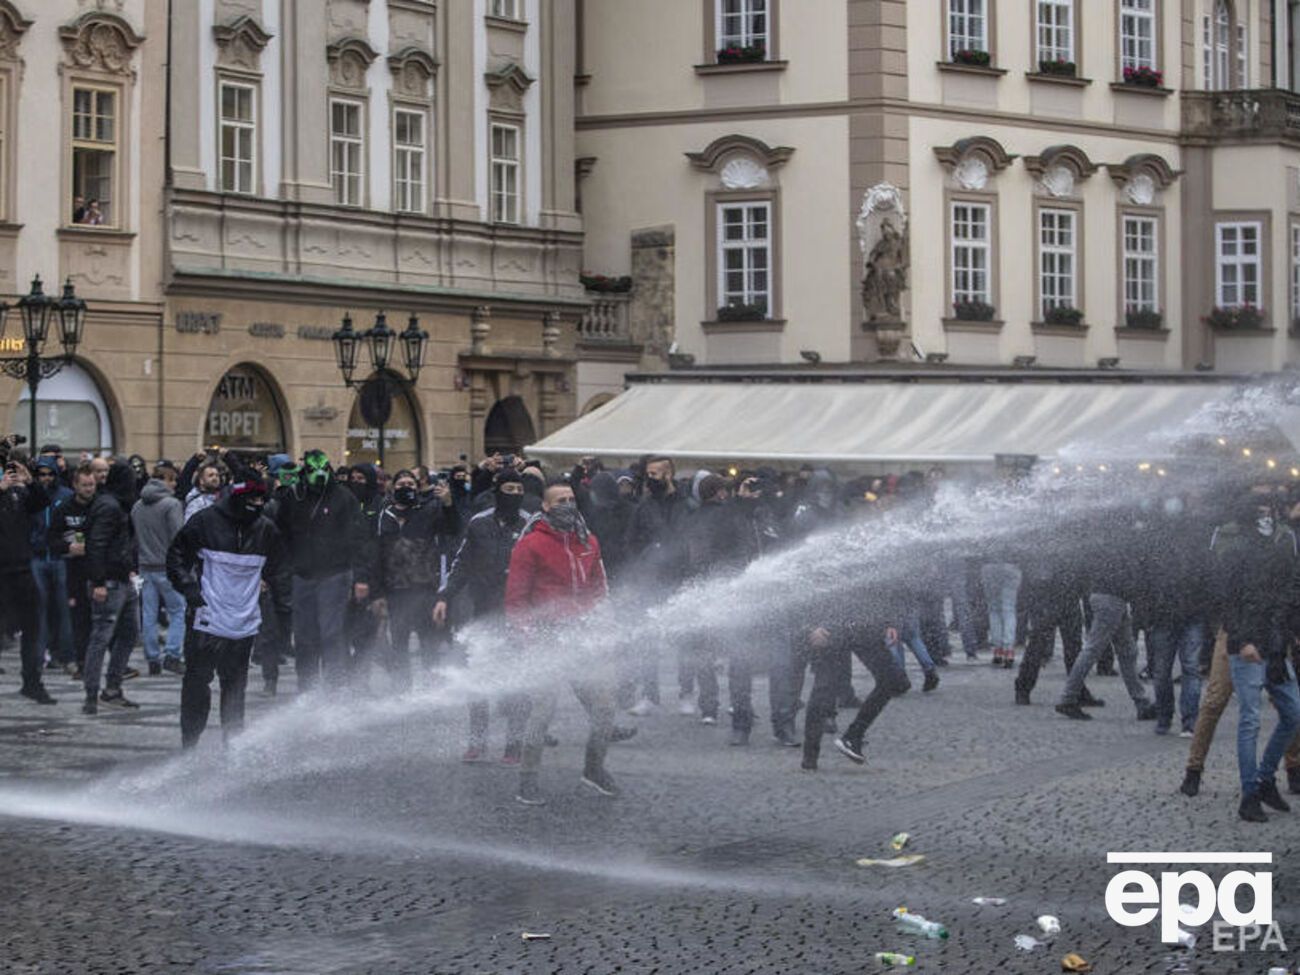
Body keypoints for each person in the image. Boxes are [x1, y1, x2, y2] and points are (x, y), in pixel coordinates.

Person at [507, 481, 615, 806]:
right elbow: (515, 599)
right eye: (560, 500)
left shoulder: (589, 541)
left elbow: (597, 586)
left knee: (605, 708)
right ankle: (527, 780)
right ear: (546, 507)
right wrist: (527, 637)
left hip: (580, 638)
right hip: (544, 638)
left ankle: (593, 770)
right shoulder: (530, 545)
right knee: (541, 711)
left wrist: (599, 622)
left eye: (571, 499)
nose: (568, 504)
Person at [168, 478, 290, 748]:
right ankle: (190, 742)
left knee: (235, 687)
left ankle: (232, 744)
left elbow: (280, 570)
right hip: (206, 619)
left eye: (261, 501)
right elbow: (176, 557)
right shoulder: (204, 521)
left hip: (242, 624)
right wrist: (190, 590)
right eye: (252, 501)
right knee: (197, 683)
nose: (257, 506)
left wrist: (282, 612)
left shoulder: (265, 529)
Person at [1209, 486, 1300, 822]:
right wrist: (1243, 640)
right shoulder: (1235, 553)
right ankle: (1250, 793)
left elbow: (1286, 593)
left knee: (1294, 713)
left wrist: (1288, 634)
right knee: (1249, 721)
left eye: (1270, 511)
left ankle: (1264, 778)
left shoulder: (1277, 549)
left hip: (1275, 646)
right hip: (1247, 647)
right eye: (1261, 511)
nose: (1268, 516)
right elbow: (1228, 603)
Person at [436, 470, 532, 762]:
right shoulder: (479, 524)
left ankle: (513, 744)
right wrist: (444, 596)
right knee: (478, 676)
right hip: (483, 610)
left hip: (519, 614)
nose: (513, 493)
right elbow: (461, 563)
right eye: (508, 487)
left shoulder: (530, 524)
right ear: (496, 490)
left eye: (518, 488)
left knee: (517, 680)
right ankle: (477, 741)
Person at [274, 449, 370, 691]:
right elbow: (280, 534)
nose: (318, 475)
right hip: (303, 574)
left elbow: (359, 539)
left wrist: (361, 577)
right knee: (304, 637)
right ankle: (307, 688)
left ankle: (333, 689)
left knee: (331, 634)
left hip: (335, 573)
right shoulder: (293, 496)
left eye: (322, 469)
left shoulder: (343, 497)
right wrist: (283, 569)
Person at [373, 469, 459, 683]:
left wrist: (448, 504)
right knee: (399, 642)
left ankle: (432, 687)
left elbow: (454, 528)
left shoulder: (430, 511)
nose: (406, 488)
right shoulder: (384, 514)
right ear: (393, 488)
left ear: (418, 488)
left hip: (424, 588)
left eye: (411, 484)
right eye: (401, 484)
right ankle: (401, 688)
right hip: (395, 591)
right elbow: (376, 555)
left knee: (429, 642)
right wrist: (378, 592)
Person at [622, 455, 688, 715]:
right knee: (647, 639)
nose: (650, 478)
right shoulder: (644, 506)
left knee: (685, 638)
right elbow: (630, 540)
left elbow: (693, 536)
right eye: (648, 473)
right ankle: (650, 695)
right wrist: (640, 564)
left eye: (655, 473)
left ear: (669, 474)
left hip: (680, 579)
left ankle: (687, 692)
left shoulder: (686, 504)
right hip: (650, 580)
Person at [81, 460, 141, 713]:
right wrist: (98, 581)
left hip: (122, 579)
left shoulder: (114, 504)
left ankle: (112, 688)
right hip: (109, 582)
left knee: (128, 633)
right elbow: (96, 544)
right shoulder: (109, 506)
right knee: (101, 637)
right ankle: (93, 694)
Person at [0, 454, 57, 704]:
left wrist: (30, 481)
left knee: (33, 628)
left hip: (22, 568)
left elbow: (43, 501)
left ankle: (32, 682)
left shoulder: (19, 494)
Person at [131, 462, 187, 676]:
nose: (174, 484)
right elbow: (178, 536)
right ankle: (172, 654)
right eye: (172, 480)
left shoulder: (137, 505)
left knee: (149, 614)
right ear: (165, 480)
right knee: (178, 610)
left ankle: (152, 657)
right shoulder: (171, 505)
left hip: (145, 566)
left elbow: (135, 538)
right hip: (167, 566)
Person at [49, 463, 98, 678]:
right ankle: (79, 661)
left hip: (97, 568)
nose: (89, 489)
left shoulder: (101, 506)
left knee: (101, 619)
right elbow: (51, 538)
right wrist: (68, 547)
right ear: (75, 485)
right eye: (85, 485)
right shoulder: (64, 508)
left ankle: (94, 661)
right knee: (78, 617)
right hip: (73, 569)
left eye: (92, 485)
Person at [29, 457, 75, 675]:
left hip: (60, 558)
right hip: (38, 557)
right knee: (40, 610)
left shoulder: (65, 495)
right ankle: (39, 655)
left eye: (49, 474)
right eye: (42, 474)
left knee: (63, 610)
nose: (46, 478)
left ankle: (65, 655)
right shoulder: (31, 496)